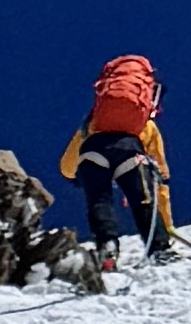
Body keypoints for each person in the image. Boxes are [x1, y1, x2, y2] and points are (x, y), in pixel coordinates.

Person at [60, 53, 177, 264]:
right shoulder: (148, 127)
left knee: (99, 200)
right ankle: (159, 247)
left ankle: (107, 245)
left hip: (94, 151)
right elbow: (160, 178)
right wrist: (166, 225)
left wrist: (78, 177)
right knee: (142, 201)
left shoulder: (93, 121)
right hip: (130, 151)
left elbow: (67, 167)